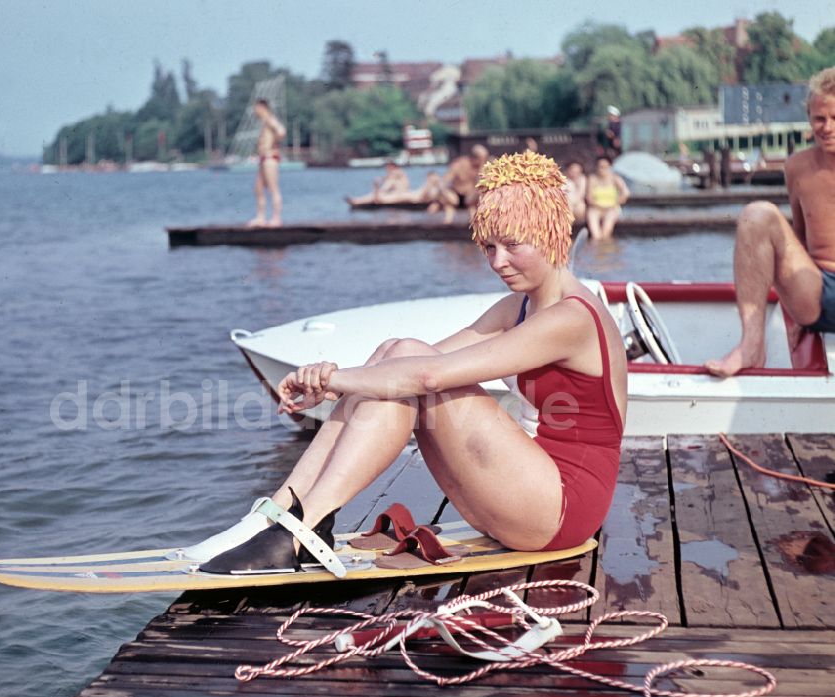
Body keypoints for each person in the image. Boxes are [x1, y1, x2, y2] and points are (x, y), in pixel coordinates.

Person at [184, 151, 627, 575]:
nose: (498, 262)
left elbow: (428, 374)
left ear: (552, 232)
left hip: (562, 508)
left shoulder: (572, 317)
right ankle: (282, 513)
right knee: (397, 353)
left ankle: (302, 529)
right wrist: (331, 381)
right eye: (489, 247)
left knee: (405, 369)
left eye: (512, 245)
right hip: (523, 493)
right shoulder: (519, 306)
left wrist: (338, 379)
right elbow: (412, 357)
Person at [706, 66, 835, 377]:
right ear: (808, 118)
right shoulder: (796, 166)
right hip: (817, 290)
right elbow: (798, 242)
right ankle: (751, 344)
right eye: (820, 118)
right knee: (758, 214)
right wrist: (791, 311)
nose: (827, 127)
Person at [427, 144, 490, 224]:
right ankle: (444, 222)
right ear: (474, 157)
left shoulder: (482, 167)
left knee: (475, 201)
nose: (484, 161)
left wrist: (481, 168)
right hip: (455, 195)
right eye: (482, 159)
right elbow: (445, 180)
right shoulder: (459, 164)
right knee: (448, 204)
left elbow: (482, 183)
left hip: (470, 198)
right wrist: (442, 194)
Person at [249, 99, 286, 227]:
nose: (255, 111)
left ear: (262, 107)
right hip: (263, 158)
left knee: (273, 188)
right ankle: (261, 218)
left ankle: (276, 218)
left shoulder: (270, 119)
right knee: (258, 188)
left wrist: (273, 144)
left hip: (270, 158)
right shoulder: (264, 122)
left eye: (256, 108)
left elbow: (281, 131)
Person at [585, 156, 630, 240]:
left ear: (610, 167)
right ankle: (596, 247)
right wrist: (599, 206)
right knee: (595, 233)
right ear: (596, 167)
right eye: (600, 167)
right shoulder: (592, 179)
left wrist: (617, 202)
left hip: (612, 208)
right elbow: (589, 197)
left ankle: (606, 248)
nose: (602, 169)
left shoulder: (615, 178)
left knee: (606, 231)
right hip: (595, 207)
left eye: (605, 167)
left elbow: (625, 193)